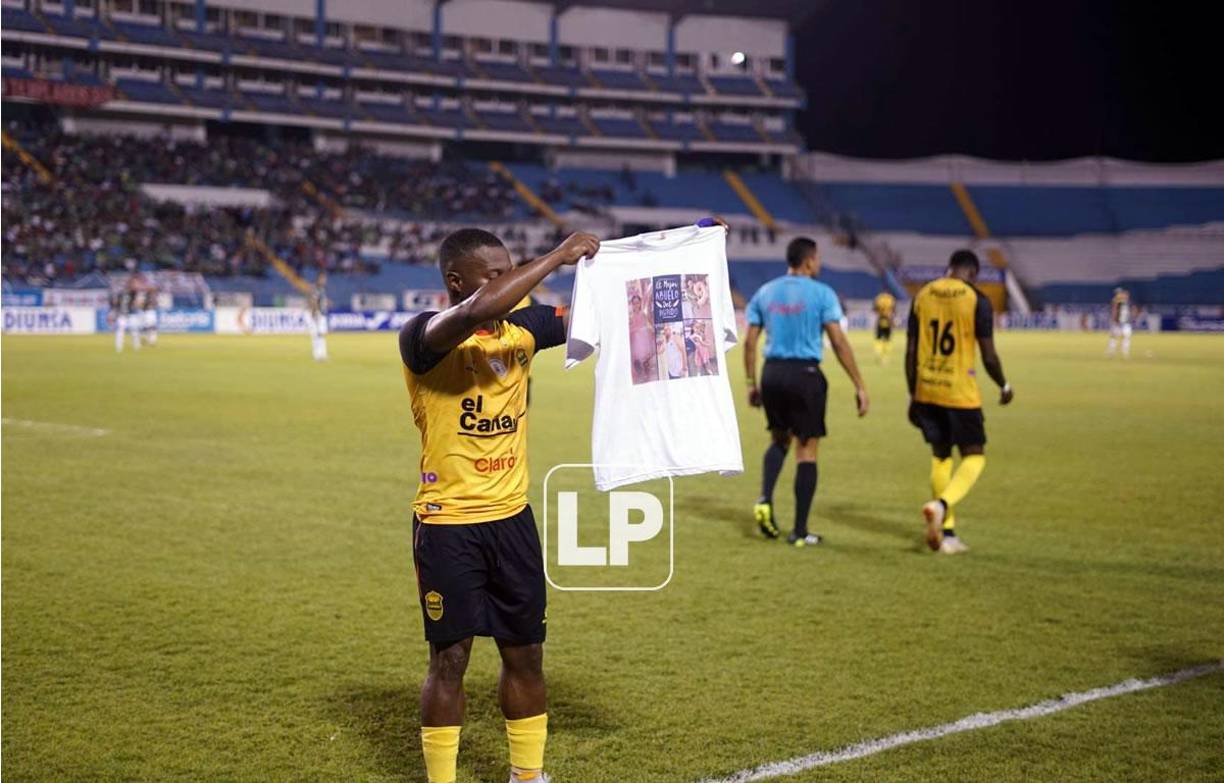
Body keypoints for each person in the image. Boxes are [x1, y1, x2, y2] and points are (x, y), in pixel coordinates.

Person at [398, 228, 600, 783]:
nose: (507, 282)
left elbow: (603, 312)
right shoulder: (424, 336)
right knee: (450, 660)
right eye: (494, 274)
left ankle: (527, 776)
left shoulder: (522, 330)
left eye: (509, 270)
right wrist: (557, 256)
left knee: (526, 654)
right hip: (448, 525)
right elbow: (477, 310)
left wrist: (687, 255)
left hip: (512, 520)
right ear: (455, 281)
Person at [744, 237, 870, 548]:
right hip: (805, 375)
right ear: (809, 261)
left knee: (778, 440)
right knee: (806, 451)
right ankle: (799, 531)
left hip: (772, 373)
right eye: (818, 258)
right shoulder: (822, 293)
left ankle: (765, 498)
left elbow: (750, 342)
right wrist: (859, 384)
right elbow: (838, 341)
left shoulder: (765, 292)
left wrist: (751, 383)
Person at [906, 250, 1014, 554]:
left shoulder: (923, 295)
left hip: (927, 389)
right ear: (973, 273)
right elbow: (989, 355)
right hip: (959, 392)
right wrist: (1004, 385)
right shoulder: (976, 299)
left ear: (949, 267)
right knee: (975, 456)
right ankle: (941, 506)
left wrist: (912, 394)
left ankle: (948, 534)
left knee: (941, 457)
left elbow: (911, 351)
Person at [306, 272, 329, 361]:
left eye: (325, 279)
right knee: (316, 335)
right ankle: (317, 355)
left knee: (321, 335)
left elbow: (320, 301)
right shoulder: (316, 289)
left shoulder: (322, 289)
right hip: (318, 314)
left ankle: (322, 354)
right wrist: (315, 312)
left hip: (322, 313)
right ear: (319, 279)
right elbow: (313, 301)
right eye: (323, 279)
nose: (324, 280)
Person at [1105, 286, 1132, 359]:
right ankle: (1123, 353)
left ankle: (1112, 352)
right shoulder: (1121, 300)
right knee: (1123, 338)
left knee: (1115, 337)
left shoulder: (1118, 300)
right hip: (1122, 322)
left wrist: (1114, 320)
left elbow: (1115, 311)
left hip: (1121, 322)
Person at [872, 290, 897, 363]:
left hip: (880, 320)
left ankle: (878, 351)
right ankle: (885, 355)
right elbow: (894, 309)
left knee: (878, 338)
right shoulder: (891, 299)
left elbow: (874, 308)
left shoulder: (879, 298)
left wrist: (879, 312)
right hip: (888, 321)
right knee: (887, 339)